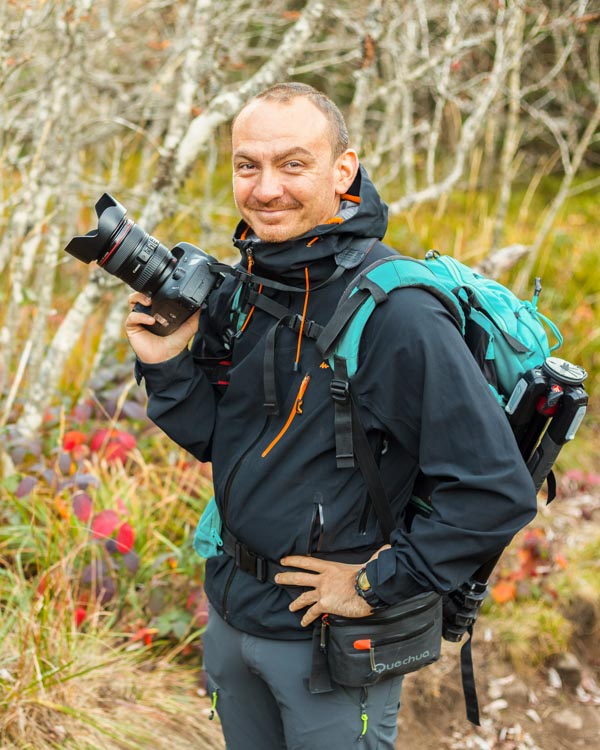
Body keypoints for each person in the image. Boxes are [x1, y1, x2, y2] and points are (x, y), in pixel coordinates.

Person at [126, 82, 537, 749]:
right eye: (247, 165)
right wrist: (169, 363)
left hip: (332, 643)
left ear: (342, 171)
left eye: (293, 164)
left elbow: (495, 489)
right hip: (234, 616)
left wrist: (376, 583)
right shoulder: (258, 285)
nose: (265, 189)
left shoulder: (398, 313)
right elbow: (221, 442)